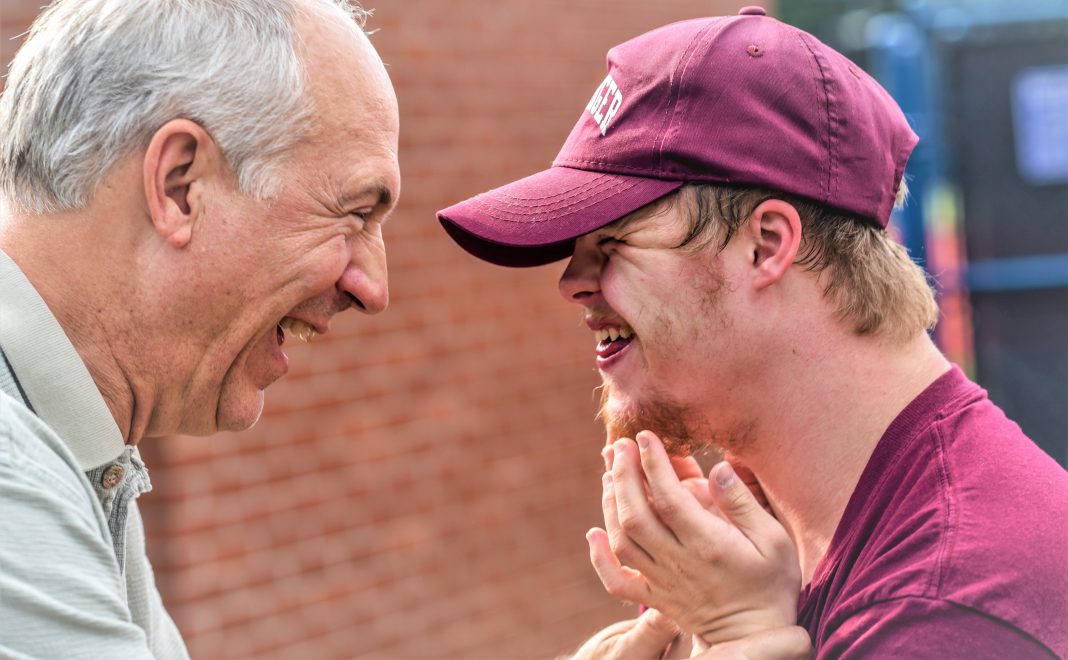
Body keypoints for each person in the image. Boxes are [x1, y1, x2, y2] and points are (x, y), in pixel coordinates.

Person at [438, 7, 1068, 658]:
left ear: (766, 246)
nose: (573, 281)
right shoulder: (784, 542)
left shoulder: (948, 616)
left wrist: (739, 638)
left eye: (613, 241)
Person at [0, 0, 398, 656]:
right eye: (354, 214)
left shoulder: (74, 449)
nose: (373, 289)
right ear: (180, 184)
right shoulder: (13, 475)